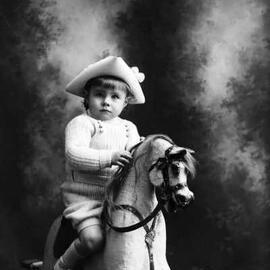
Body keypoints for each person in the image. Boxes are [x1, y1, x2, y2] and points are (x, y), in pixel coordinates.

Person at [54, 56, 145, 270]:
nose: (106, 101)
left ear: (125, 102)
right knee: (93, 239)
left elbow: (134, 160)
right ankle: (61, 266)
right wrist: (110, 157)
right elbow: (74, 154)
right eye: (99, 94)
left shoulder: (129, 128)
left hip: (117, 198)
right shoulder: (82, 123)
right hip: (84, 198)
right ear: (87, 96)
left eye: (115, 96)